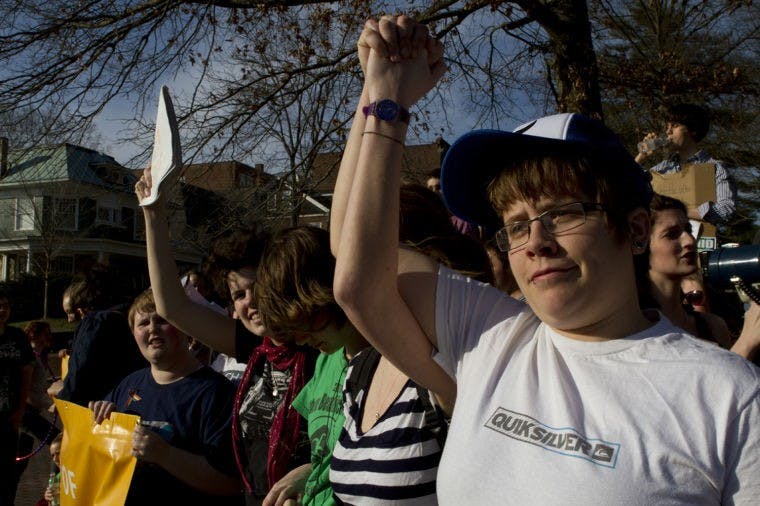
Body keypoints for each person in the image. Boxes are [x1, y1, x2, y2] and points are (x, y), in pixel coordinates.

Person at [331, 15, 760, 504]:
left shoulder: (728, 395)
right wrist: (382, 100)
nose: (535, 241)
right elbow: (355, 265)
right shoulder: (489, 336)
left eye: (562, 213)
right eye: (515, 225)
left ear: (635, 230)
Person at [136, 172, 317, 506]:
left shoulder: (320, 349)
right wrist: (153, 215)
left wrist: (313, 471)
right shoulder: (256, 349)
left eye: (256, 288)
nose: (249, 302)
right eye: (238, 295)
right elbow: (172, 305)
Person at [89, 289, 242, 505]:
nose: (152, 329)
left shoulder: (216, 393)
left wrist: (165, 455)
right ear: (133, 333)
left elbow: (231, 483)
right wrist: (101, 417)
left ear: (184, 328)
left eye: (162, 320)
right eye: (143, 323)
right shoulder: (128, 385)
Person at [257, 226, 368, 506]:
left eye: (305, 321)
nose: (301, 339)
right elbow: (326, 453)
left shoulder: (390, 362)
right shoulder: (324, 362)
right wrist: (309, 474)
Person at [638, 194, 732, 347]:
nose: (689, 240)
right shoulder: (632, 331)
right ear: (643, 242)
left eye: (688, 229)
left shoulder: (713, 326)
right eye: (672, 234)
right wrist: (747, 343)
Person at [47, 276, 146, 406]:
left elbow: (80, 374)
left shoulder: (94, 323)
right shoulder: (128, 319)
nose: (69, 320)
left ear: (80, 310)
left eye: (69, 313)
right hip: (131, 399)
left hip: (100, 407)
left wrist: (62, 393)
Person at [635, 103, 736, 224]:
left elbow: (727, 209)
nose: (668, 131)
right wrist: (642, 156)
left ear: (693, 130)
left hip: (697, 241)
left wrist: (678, 211)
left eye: (675, 126)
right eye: (667, 126)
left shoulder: (715, 168)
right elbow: (626, 187)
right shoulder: (661, 169)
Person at [0, 292, 34, 505]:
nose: (2, 310)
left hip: (8, 414)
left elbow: (26, 373)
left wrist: (21, 408)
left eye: (5, 305)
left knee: (7, 472)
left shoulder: (17, 337)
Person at [39, 433, 62, 506]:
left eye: (58, 453)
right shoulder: (57, 477)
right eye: (52, 456)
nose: (55, 459)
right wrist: (47, 499)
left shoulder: (78, 472)